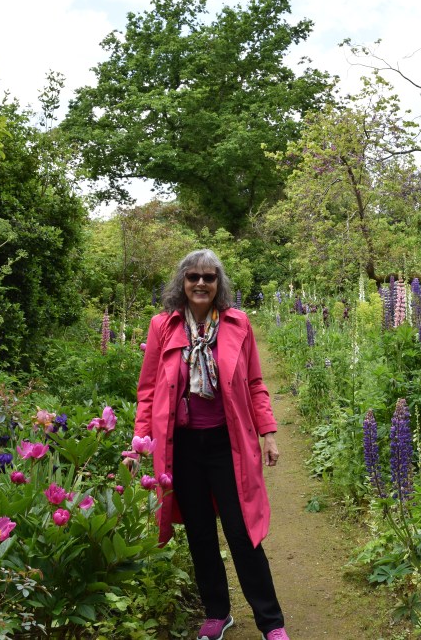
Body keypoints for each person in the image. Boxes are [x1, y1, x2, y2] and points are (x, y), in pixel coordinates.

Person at [133, 249, 290, 640]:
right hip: (181, 446)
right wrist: (141, 443)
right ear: (181, 283)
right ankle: (217, 613)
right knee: (201, 532)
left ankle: (271, 622)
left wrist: (268, 433)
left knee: (242, 533)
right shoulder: (162, 326)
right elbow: (149, 390)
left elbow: (255, 384)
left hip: (227, 443)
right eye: (193, 277)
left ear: (218, 284)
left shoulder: (239, 324)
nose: (200, 283)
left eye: (209, 277)